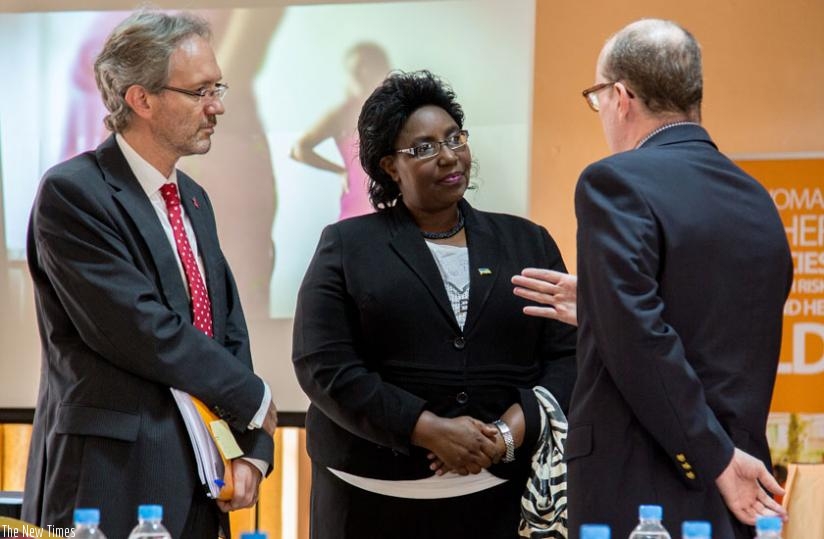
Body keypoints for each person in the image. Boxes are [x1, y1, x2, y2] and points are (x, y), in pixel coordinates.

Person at [21, 10, 277, 539]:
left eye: (218, 87)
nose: (218, 106)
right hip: (111, 481)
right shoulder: (74, 192)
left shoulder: (194, 199)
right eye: (201, 90)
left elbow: (224, 324)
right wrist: (252, 398)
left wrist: (252, 449)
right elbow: (138, 327)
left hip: (205, 479)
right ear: (141, 99)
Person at [292, 70, 577, 538]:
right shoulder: (346, 245)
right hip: (366, 502)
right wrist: (424, 428)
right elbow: (322, 364)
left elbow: (568, 355)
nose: (448, 155)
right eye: (423, 148)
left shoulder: (528, 243)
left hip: (498, 501)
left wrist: (511, 431)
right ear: (389, 166)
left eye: (454, 138)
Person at [561, 19, 793, 539]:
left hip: (645, 494)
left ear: (621, 97)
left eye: (597, 95)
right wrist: (600, 308)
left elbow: (640, 339)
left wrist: (714, 459)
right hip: (743, 492)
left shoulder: (611, 181)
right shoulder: (756, 198)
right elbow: (717, 323)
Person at [290, 42, 391, 221]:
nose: (357, 72)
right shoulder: (342, 113)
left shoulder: (397, 110)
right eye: (352, 68)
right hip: (357, 208)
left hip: (395, 206)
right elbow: (298, 150)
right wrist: (340, 171)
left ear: (379, 67)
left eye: (363, 65)